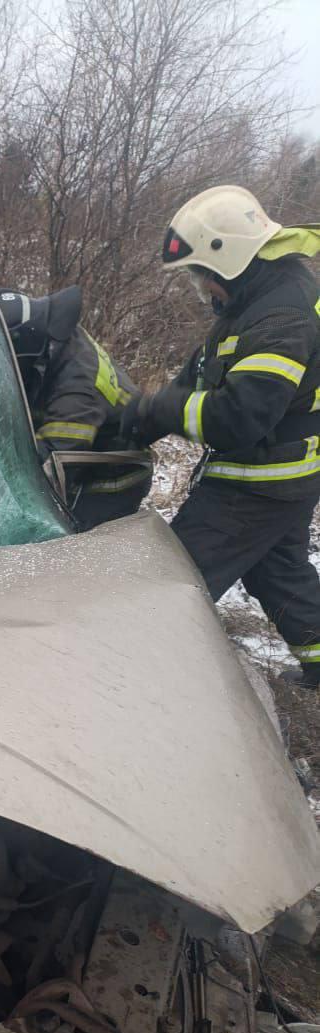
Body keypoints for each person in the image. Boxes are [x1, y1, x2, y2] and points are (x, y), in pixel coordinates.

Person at [121, 185, 320, 688]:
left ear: (228, 261)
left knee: (175, 578)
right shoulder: (257, 298)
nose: (201, 286)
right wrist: (141, 420)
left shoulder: (282, 318)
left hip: (261, 482)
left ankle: (130, 674)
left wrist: (161, 408)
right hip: (284, 474)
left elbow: (239, 417)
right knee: (278, 572)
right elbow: (200, 376)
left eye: (202, 273)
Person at [0, 285, 152, 530]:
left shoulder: (78, 387)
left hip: (111, 479)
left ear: (24, 348)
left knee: (73, 543)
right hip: (87, 458)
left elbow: (53, 459)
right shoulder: (54, 339)